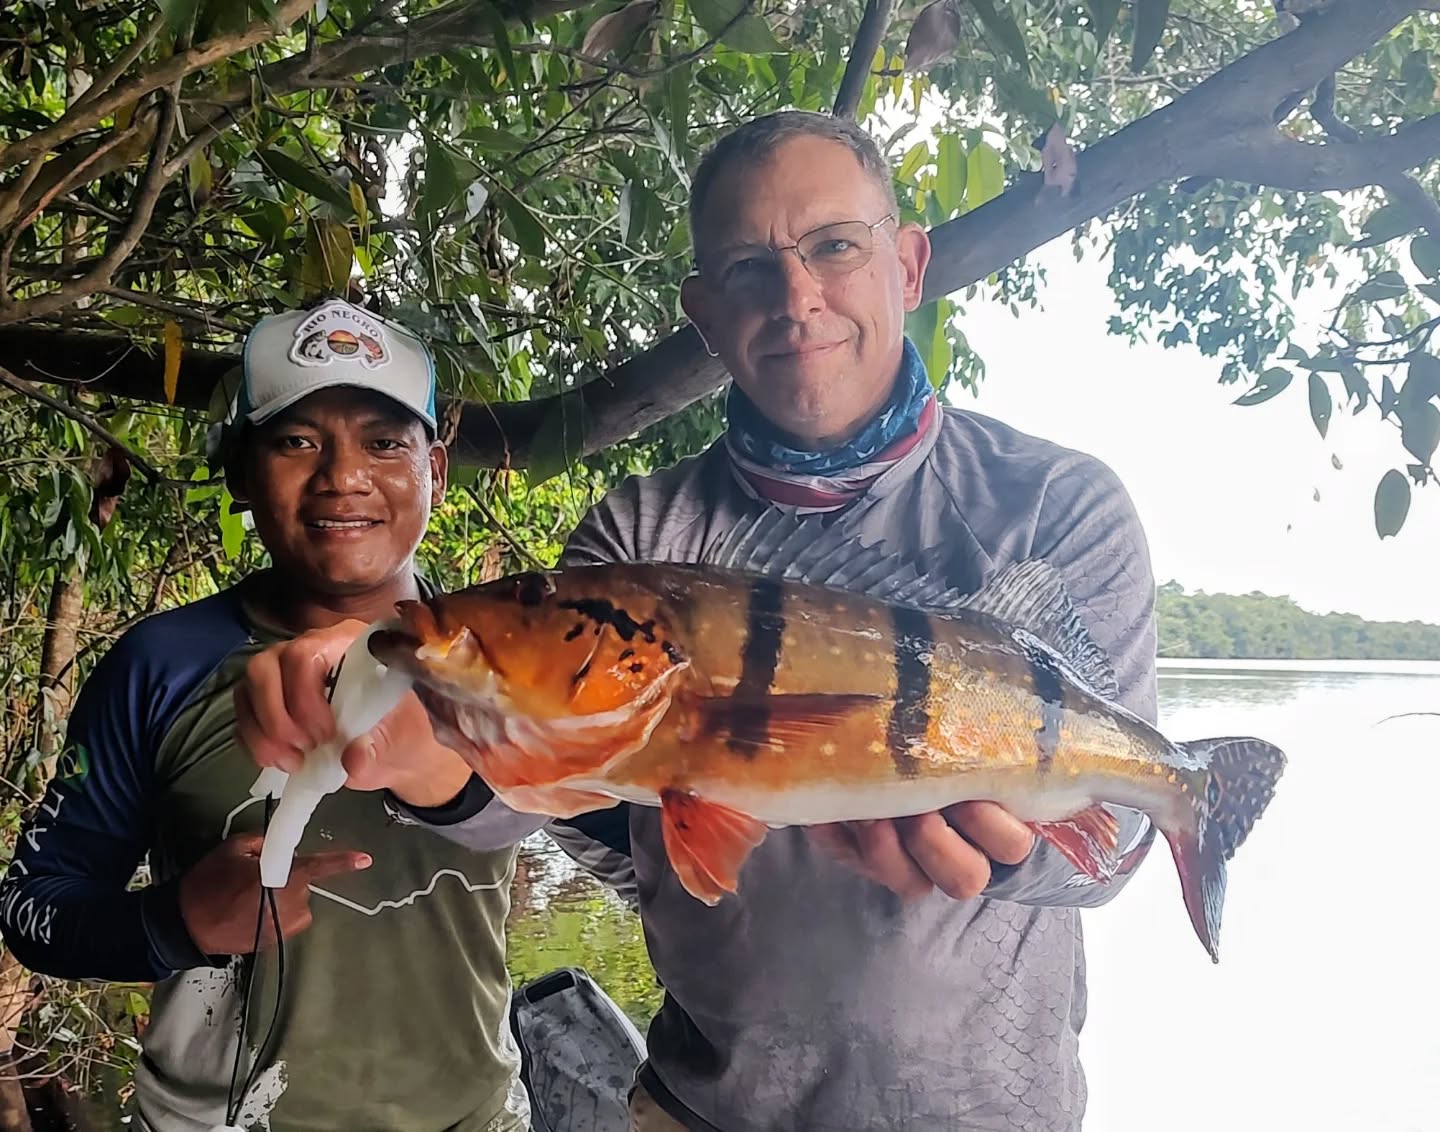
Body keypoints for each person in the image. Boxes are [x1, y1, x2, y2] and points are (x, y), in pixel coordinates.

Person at [238, 111, 1161, 1132]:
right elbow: (566, 806)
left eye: (835, 248)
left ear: (907, 264)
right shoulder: (638, 532)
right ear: (705, 313)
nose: (799, 297)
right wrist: (423, 748)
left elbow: (1113, 844)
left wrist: (1013, 845)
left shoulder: (1061, 506)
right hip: (703, 1106)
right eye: (750, 268)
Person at [0, 299, 541, 1132]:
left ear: (434, 470)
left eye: (384, 441)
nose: (342, 476)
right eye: (296, 440)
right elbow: (32, 905)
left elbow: (609, 824)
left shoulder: (509, 654)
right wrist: (173, 921)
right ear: (242, 473)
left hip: (473, 1117)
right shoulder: (159, 666)